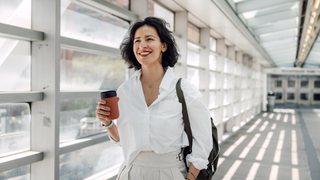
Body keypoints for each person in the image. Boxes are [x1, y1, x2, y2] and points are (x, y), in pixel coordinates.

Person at [95, 17, 212, 180]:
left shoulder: (184, 90)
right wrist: (107, 122)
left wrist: (191, 177)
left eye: (149, 39)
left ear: (164, 45)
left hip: (169, 173)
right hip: (130, 173)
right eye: (137, 41)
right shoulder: (125, 91)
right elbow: (123, 140)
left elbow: (203, 141)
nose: (142, 45)